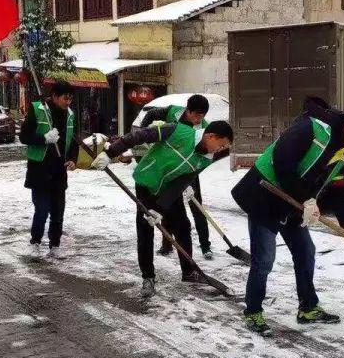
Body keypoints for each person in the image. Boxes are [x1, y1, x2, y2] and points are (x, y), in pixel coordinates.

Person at [232, 100, 344, 335]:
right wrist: (307, 199)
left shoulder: (343, 150)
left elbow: (340, 189)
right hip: (265, 196)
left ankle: (308, 307)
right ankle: (253, 311)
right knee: (265, 259)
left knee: (305, 252)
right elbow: (282, 162)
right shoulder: (311, 129)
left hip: (293, 204)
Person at [91, 118, 234, 298]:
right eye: (221, 145)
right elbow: (139, 136)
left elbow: (181, 181)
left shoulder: (206, 158)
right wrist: (111, 152)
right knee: (146, 230)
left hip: (169, 190)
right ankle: (148, 277)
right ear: (210, 136)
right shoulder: (177, 131)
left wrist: (159, 208)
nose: (221, 150)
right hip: (147, 183)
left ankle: (189, 271)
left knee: (182, 226)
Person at [141, 95, 215, 261]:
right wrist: (143, 131)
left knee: (197, 207)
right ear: (187, 110)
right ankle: (167, 244)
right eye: (196, 114)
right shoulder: (173, 112)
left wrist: (189, 180)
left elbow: (205, 159)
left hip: (189, 169)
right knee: (166, 206)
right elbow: (151, 115)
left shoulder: (205, 130)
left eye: (202, 116)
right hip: (167, 168)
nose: (199, 119)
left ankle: (205, 246)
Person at [19, 80, 79, 258]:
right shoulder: (38, 109)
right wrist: (43, 138)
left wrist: (72, 159)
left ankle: (55, 245)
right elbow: (24, 136)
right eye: (64, 98)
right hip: (40, 168)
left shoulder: (69, 114)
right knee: (42, 209)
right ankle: (35, 242)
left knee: (58, 211)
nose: (67, 102)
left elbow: (73, 140)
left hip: (59, 170)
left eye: (70, 99)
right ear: (54, 96)